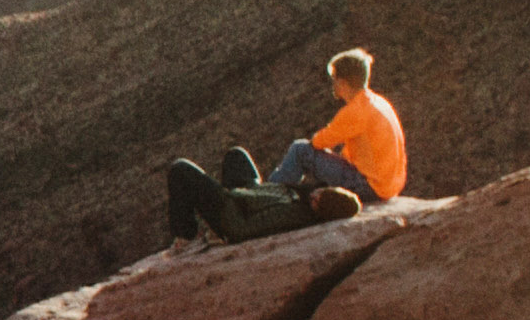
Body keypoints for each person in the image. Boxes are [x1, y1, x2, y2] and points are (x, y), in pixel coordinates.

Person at [166, 49, 409, 245]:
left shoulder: (356, 111)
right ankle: (268, 190)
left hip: (368, 185)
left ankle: (187, 237)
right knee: (236, 155)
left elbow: (318, 142)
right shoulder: (378, 102)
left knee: (301, 149)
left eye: (334, 79)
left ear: (343, 82)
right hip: (386, 183)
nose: (332, 85)